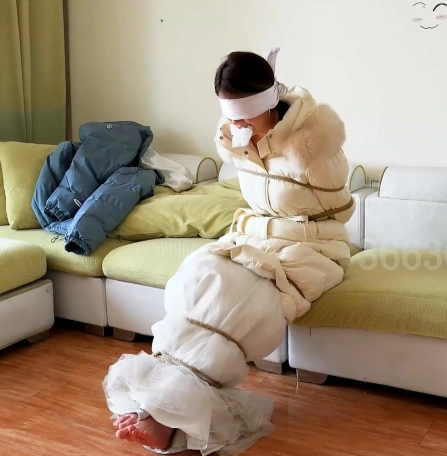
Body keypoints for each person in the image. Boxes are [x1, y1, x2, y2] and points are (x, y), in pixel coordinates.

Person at [102, 48, 355, 455]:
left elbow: (341, 210)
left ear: (268, 103)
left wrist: (302, 162)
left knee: (240, 299)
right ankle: (157, 405)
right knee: (203, 275)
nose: (236, 125)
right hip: (253, 236)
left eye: (244, 116)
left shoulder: (313, 146)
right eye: (231, 116)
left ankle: (171, 418)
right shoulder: (236, 137)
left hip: (312, 243)